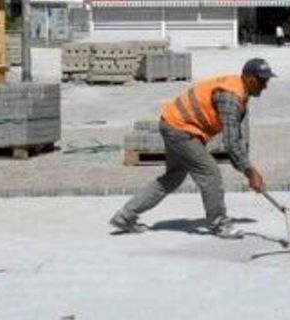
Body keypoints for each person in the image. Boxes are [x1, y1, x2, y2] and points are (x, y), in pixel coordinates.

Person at [110, 58, 274, 239]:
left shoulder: (239, 89)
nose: (265, 86)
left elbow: (235, 136)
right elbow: (231, 142)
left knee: (172, 178)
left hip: (174, 124)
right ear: (249, 78)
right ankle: (219, 223)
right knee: (210, 173)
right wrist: (250, 172)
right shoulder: (231, 96)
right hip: (180, 130)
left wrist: (246, 169)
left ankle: (125, 216)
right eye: (262, 80)